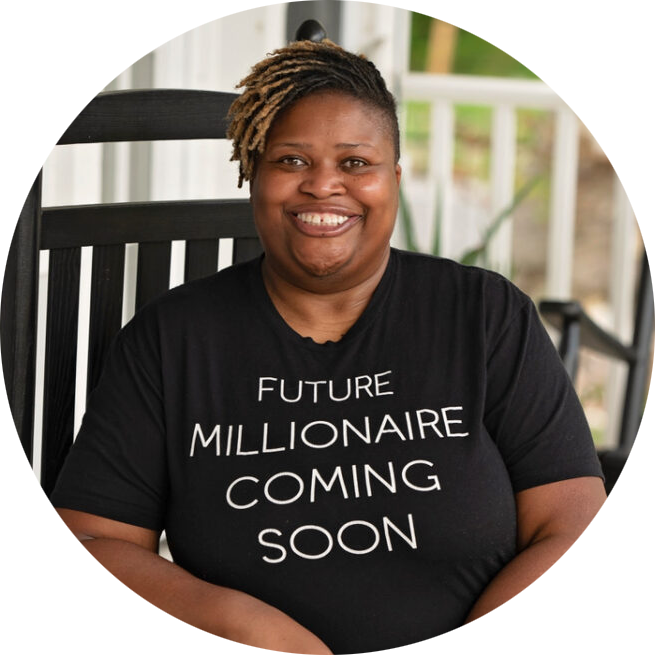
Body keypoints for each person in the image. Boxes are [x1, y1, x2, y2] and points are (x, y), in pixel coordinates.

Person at [33, 36, 621, 655]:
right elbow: (74, 554)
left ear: (393, 177)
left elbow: (581, 536)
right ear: (251, 173)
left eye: (355, 163)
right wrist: (254, 631)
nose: (322, 187)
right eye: (290, 161)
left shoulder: (483, 316)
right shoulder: (174, 342)